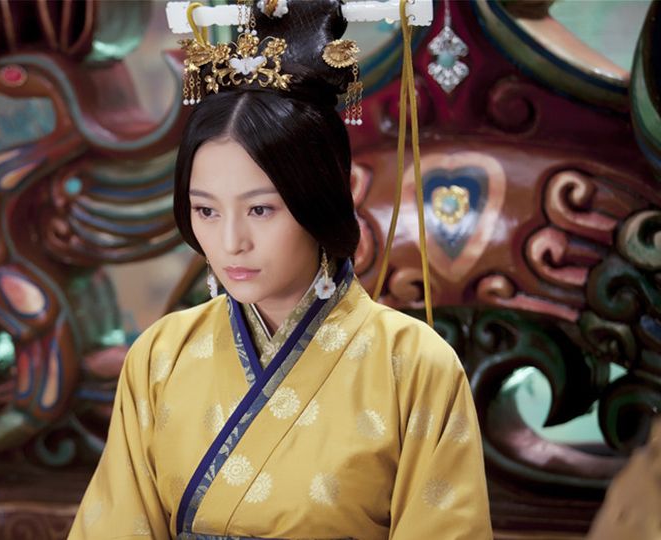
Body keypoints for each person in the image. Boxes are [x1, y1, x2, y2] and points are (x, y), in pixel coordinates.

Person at [69, 1, 492, 538]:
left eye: (260, 210)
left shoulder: (414, 367)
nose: (230, 243)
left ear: (319, 200)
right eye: (206, 211)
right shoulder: (160, 356)